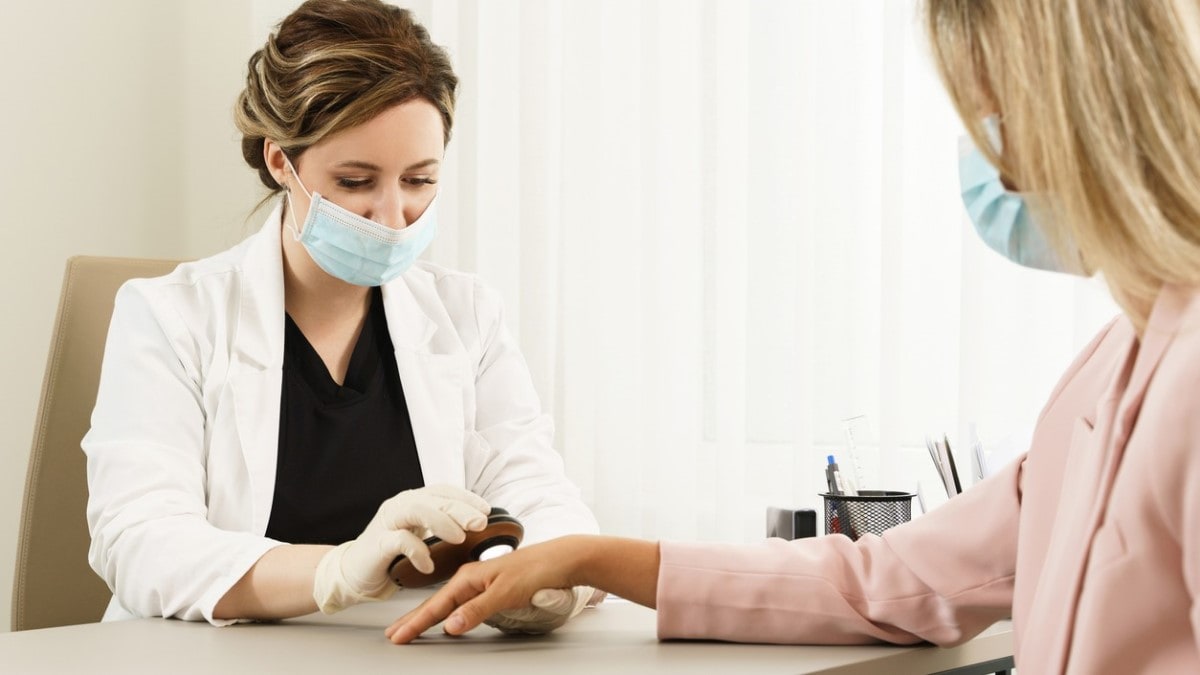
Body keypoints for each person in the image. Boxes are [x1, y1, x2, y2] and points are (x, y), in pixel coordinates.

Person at [385, 0, 1200, 670]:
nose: (990, 168)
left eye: (990, 121)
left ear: (1085, 115)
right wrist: (591, 556)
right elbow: (890, 578)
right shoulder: (1109, 371)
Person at [83, 0, 597, 634]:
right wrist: (335, 572)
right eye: (355, 181)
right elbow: (138, 540)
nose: (392, 215)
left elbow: (537, 489)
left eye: (419, 179)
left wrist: (550, 573)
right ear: (280, 162)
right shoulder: (168, 316)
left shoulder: (467, 314)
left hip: (411, 648)